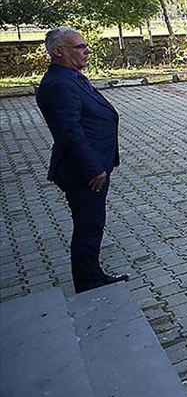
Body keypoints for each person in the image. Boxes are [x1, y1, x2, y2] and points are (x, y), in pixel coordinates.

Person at [35, 27, 128, 293]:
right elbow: (68, 131)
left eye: (85, 45)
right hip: (84, 171)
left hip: (93, 165)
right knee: (89, 225)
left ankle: (92, 274)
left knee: (92, 223)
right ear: (58, 51)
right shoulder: (59, 83)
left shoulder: (70, 77)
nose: (86, 50)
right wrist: (92, 169)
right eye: (80, 47)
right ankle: (89, 283)